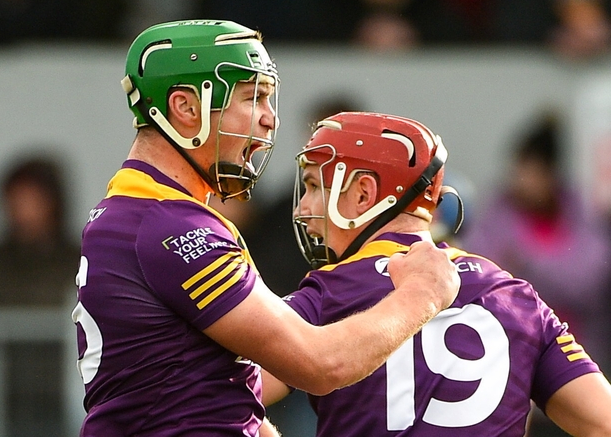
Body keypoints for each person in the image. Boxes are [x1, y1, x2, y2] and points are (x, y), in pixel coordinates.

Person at [73, 19, 461, 436]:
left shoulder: (147, 213)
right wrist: (424, 293)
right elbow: (320, 363)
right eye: (253, 97)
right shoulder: (170, 225)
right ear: (185, 107)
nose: (269, 120)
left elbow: (206, 388)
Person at [260, 112, 611, 436]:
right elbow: (603, 421)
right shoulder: (515, 295)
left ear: (364, 194)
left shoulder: (328, 291)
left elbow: (221, 396)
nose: (304, 208)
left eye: (314, 186)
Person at [0, 154, 81, 437]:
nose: (23, 210)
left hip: (68, 393)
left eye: (32, 200)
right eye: (16, 200)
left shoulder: (80, 258)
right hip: (7, 395)